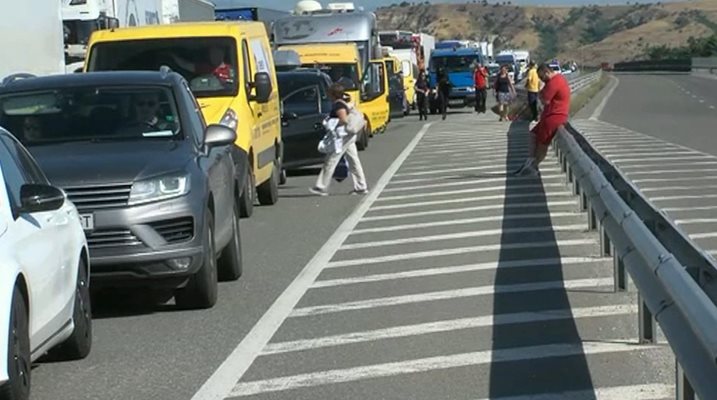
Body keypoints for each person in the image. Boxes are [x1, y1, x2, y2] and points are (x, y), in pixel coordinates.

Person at [310, 83, 368, 196]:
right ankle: (361, 187)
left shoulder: (338, 106)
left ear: (333, 94)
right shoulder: (343, 103)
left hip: (342, 137)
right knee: (353, 161)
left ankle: (321, 187)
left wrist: (330, 123)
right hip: (348, 136)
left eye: (329, 93)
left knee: (331, 160)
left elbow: (343, 120)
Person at [515, 63, 571, 176]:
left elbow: (544, 99)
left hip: (554, 117)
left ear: (547, 72)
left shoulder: (554, 82)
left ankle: (534, 166)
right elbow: (542, 96)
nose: (542, 81)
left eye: (542, 78)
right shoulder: (556, 80)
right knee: (533, 135)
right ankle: (530, 161)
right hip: (549, 115)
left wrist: (542, 93)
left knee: (542, 144)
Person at [171, 46, 235, 84]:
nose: (215, 56)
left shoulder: (231, 69)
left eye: (217, 53)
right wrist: (173, 56)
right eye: (212, 53)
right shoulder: (205, 68)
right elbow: (186, 65)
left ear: (223, 53)